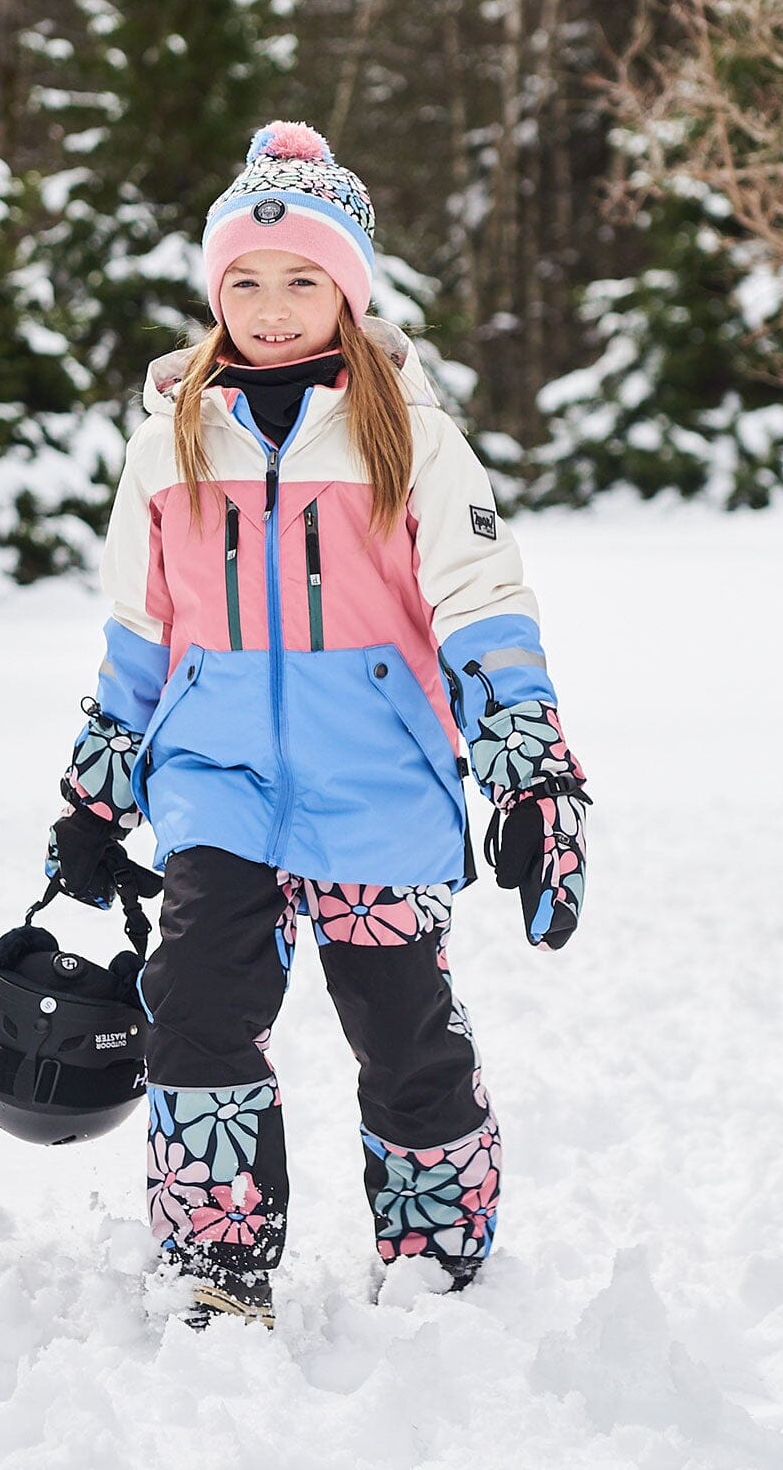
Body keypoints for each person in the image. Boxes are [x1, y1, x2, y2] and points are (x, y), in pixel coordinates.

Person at [43, 119, 589, 1330]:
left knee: (401, 1032)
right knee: (191, 1007)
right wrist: (95, 795)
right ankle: (217, 1256)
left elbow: (482, 608)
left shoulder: (413, 438)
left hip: (377, 784)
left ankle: (438, 1252)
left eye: (302, 280)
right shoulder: (168, 439)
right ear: (213, 290)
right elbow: (140, 636)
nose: (271, 305)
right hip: (215, 780)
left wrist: (534, 777)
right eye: (243, 279)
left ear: (346, 290)